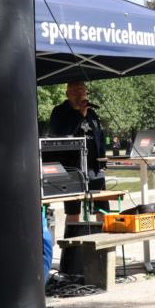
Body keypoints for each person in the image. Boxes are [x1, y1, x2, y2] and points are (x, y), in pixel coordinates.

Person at [48, 81, 108, 222]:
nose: (79, 93)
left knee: (102, 208)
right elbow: (62, 134)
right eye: (75, 91)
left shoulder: (92, 112)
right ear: (67, 94)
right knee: (73, 210)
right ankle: (71, 243)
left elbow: (100, 136)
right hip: (71, 169)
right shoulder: (59, 112)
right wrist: (80, 114)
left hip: (94, 168)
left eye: (82, 90)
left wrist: (103, 160)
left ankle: (105, 242)